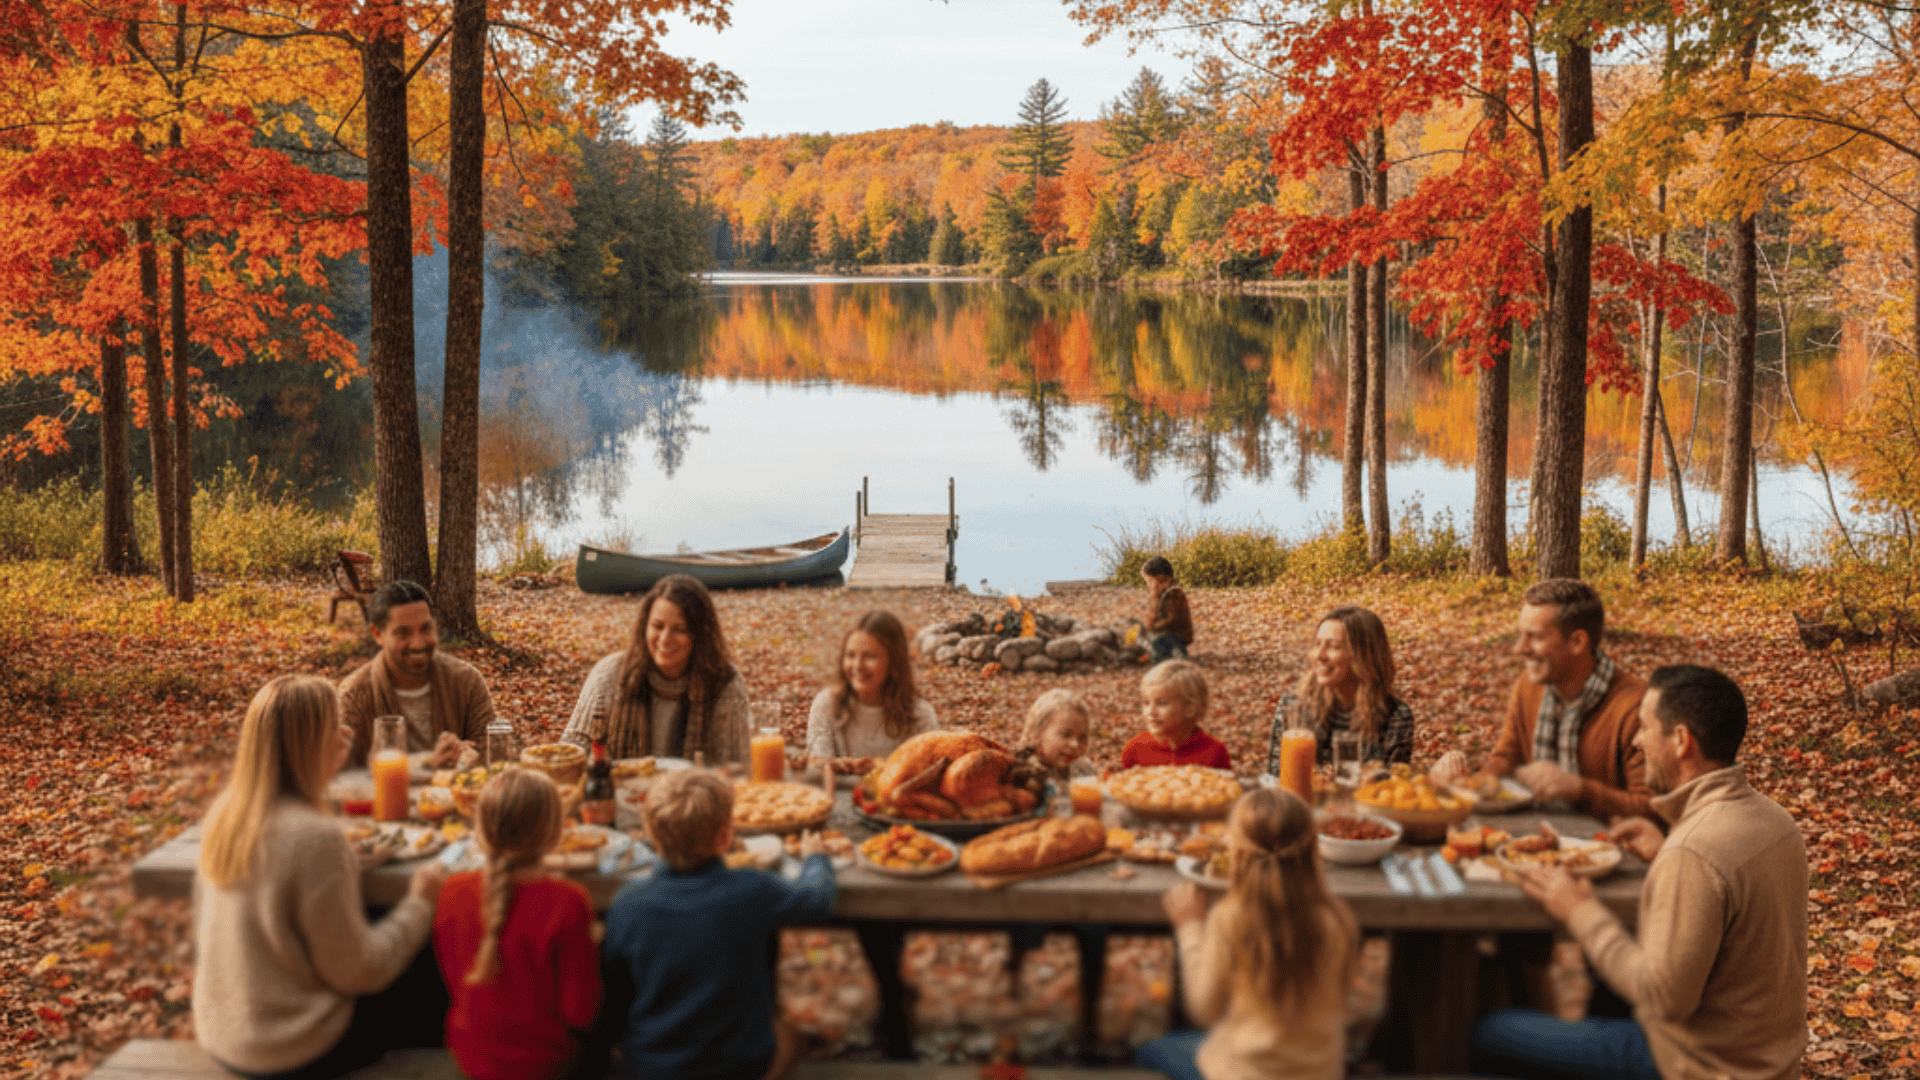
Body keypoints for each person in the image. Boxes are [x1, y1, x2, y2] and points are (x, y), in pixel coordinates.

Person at [1472, 664, 1808, 1080]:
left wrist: (1579, 910)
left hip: (1701, 1066)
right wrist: (1666, 848)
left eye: (1646, 728)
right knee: (1599, 981)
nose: (1636, 740)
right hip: (1766, 1059)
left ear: (1681, 741)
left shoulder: (1694, 852)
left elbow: (1662, 998)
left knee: (1489, 1033)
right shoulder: (1775, 821)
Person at [192, 675, 448, 1080]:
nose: (346, 734)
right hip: (294, 1048)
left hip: (225, 1034)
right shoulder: (316, 838)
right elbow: (361, 971)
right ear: (309, 744)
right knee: (430, 967)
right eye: (335, 725)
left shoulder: (228, 814)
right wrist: (421, 901)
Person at [601, 769, 835, 1080]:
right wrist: (816, 859)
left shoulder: (627, 905)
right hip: (739, 1063)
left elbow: (615, 998)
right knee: (794, 1035)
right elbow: (815, 901)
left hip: (653, 1064)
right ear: (726, 835)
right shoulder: (752, 889)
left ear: (649, 833)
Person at [1136, 787, 1358, 1080]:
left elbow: (1204, 1009)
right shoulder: (1336, 918)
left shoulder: (1231, 919)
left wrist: (1190, 927)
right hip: (1321, 1072)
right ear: (1313, 850)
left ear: (1238, 854)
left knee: (1150, 1052)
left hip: (1245, 1073)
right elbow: (1342, 996)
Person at [434, 769, 600, 1080]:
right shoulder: (568, 901)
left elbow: (452, 977)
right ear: (555, 834)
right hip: (545, 1064)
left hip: (470, 1056)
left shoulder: (452, 891)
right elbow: (580, 1012)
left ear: (479, 830)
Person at [1455, 578, 1653, 820]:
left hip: (1608, 847)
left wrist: (1580, 789)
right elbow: (1506, 759)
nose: (1519, 649)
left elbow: (1653, 807)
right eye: (1521, 636)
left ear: (1577, 642)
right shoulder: (1528, 688)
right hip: (1537, 833)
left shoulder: (1635, 706)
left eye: (1535, 637)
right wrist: (1463, 784)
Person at [1006, 689, 1107, 1057]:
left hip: (1076, 871)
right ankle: (1012, 997)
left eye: (1082, 737)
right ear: (1036, 733)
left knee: (1095, 926)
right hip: (1032, 872)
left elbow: (1093, 819)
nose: (1075, 745)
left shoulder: (1084, 772)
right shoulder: (1015, 772)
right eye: (1065, 734)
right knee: (1025, 925)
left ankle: (1090, 1016)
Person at [564, 575, 753, 763]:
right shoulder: (608, 675)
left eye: (680, 629)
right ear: (644, 626)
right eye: (657, 626)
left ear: (700, 635)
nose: (664, 639)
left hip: (696, 792)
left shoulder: (725, 684)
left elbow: (739, 769)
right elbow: (567, 756)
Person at [339, 579, 497, 768]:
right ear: (377, 634)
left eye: (426, 628)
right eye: (403, 633)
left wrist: (469, 755)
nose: (418, 644)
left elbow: (493, 755)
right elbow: (341, 776)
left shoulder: (467, 681)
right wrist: (428, 765)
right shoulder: (354, 696)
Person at [1266, 606, 1414, 774]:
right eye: (1317, 644)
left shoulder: (1397, 716)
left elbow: (1393, 789)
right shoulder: (1292, 705)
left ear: (1364, 657)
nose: (1319, 655)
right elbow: (1275, 779)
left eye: (1334, 646)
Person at [803, 610, 940, 767]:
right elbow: (816, 765)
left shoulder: (921, 715)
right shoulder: (826, 704)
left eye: (869, 656)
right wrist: (842, 766)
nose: (858, 666)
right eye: (851, 655)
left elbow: (931, 770)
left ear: (894, 661)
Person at [1121, 659, 1231, 770]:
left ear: (1190, 709)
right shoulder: (1135, 750)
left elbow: (1226, 785)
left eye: (1162, 703)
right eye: (1146, 703)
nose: (1151, 711)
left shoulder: (1213, 752)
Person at [1142, 555, 1194, 662]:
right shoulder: (1160, 594)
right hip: (1165, 632)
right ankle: (1154, 653)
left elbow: (1172, 618)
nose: (1149, 586)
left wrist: (1155, 627)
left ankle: (1174, 654)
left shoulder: (1173, 593)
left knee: (1161, 641)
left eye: (1150, 582)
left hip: (1177, 634)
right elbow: (1154, 616)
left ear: (1162, 580)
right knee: (1146, 638)